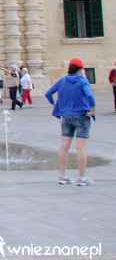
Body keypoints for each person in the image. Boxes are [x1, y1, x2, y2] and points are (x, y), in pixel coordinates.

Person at [45, 58, 96, 186]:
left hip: (66, 117)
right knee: (81, 148)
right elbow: (89, 95)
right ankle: (82, 177)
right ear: (80, 69)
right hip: (81, 116)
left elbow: (48, 93)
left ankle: (63, 175)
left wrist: (53, 104)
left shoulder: (62, 81)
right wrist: (93, 110)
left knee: (64, 147)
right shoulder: (83, 81)